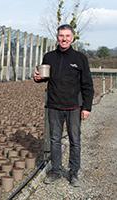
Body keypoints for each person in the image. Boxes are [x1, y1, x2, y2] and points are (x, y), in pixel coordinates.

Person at [33, 24, 94, 187]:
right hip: (54, 106)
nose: (64, 39)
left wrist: (87, 107)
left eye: (67, 36)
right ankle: (56, 171)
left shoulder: (80, 58)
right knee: (54, 139)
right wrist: (37, 78)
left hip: (74, 107)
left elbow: (87, 84)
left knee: (75, 140)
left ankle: (73, 173)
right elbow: (45, 77)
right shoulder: (49, 57)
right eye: (61, 35)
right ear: (57, 37)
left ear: (72, 38)